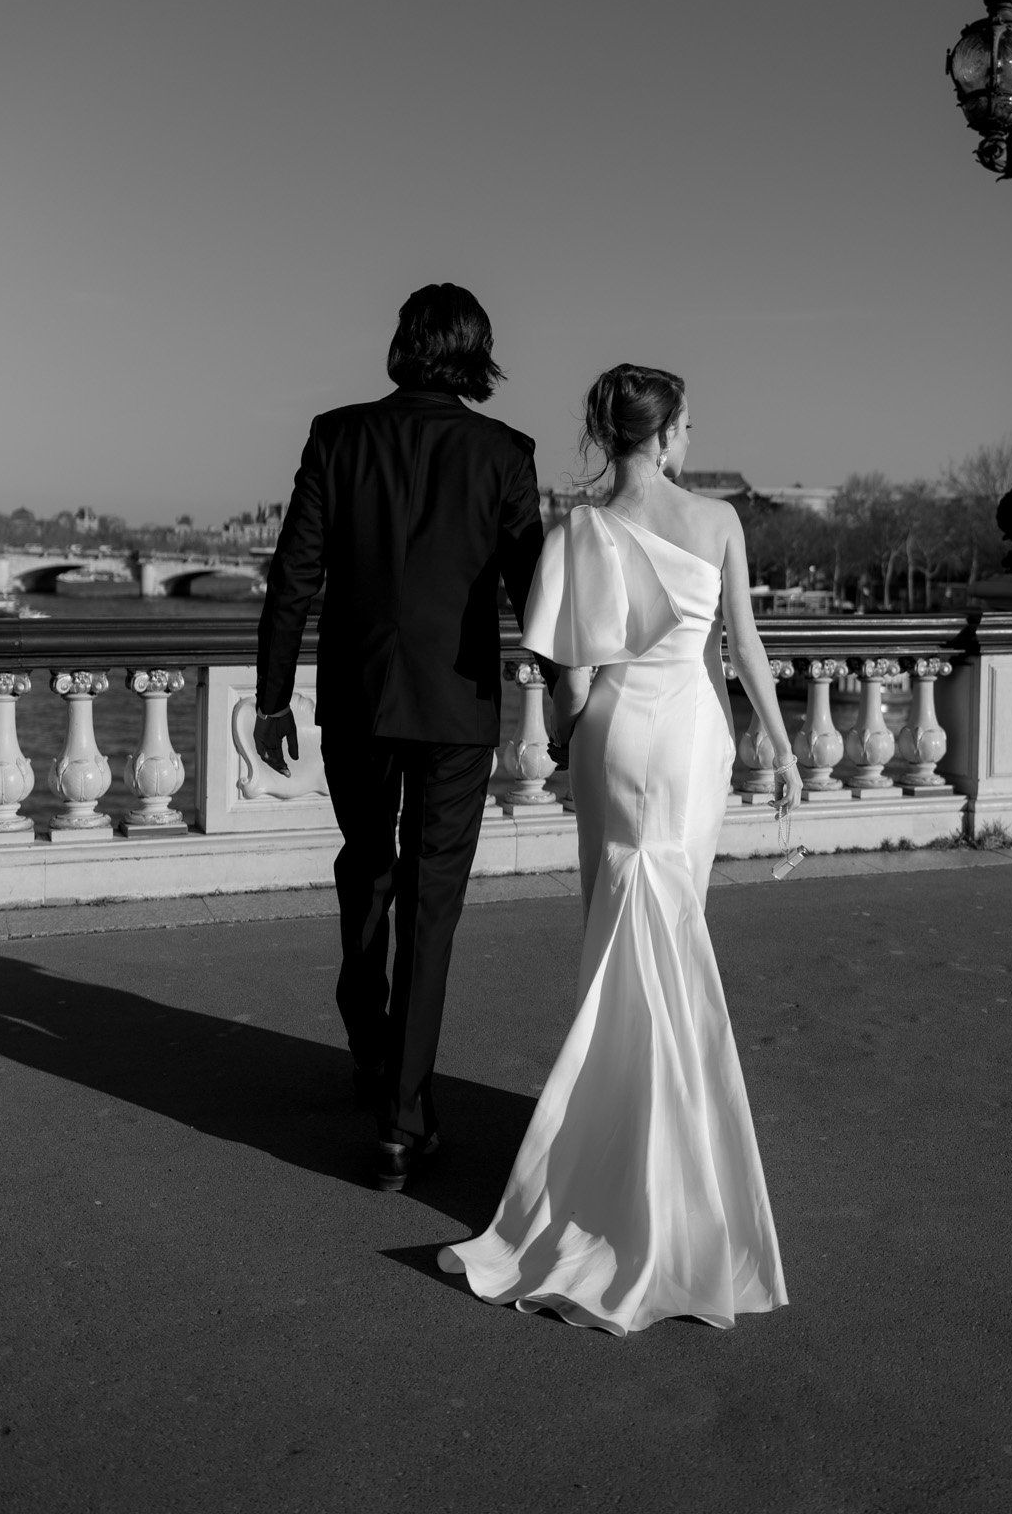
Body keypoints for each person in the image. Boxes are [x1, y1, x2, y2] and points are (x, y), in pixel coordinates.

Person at [438, 363, 800, 1332]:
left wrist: (565, 734)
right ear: (672, 431)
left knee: (613, 939)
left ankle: (610, 1155)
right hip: (689, 733)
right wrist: (779, 737)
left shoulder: (578, 525)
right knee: (676, 936)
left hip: (610, 730)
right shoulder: (717, 519)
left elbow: (561, 657)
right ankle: (674, 1172)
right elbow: (745, 645)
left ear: (609, 433)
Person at [254, 283, 543, 1189]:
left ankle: (369, 1048)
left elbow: (293, 575)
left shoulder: (336, 434)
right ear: (477, 354)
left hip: (360, 698)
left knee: (364, 868)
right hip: (457, 707)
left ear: (401, 344)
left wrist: (272, 699)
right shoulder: (504, 453)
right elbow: (537, 594)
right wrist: (576, 695)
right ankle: (402, 1118)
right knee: (432, 904)